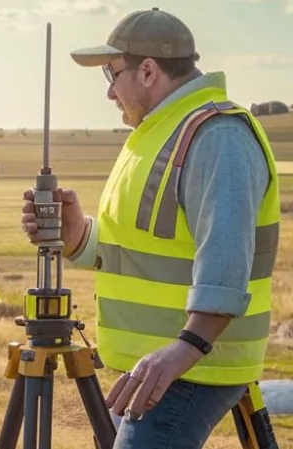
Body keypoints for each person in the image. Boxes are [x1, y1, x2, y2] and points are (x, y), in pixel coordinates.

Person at [21, 8, 279, 449]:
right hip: (165, 363)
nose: (108, 92)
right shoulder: (160, 131)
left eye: (111, 73)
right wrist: (79, 236)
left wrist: (187, 346)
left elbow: (226, 255)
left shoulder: (217, 134)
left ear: (147, 70)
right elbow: (148, 245)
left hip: (188, 365)